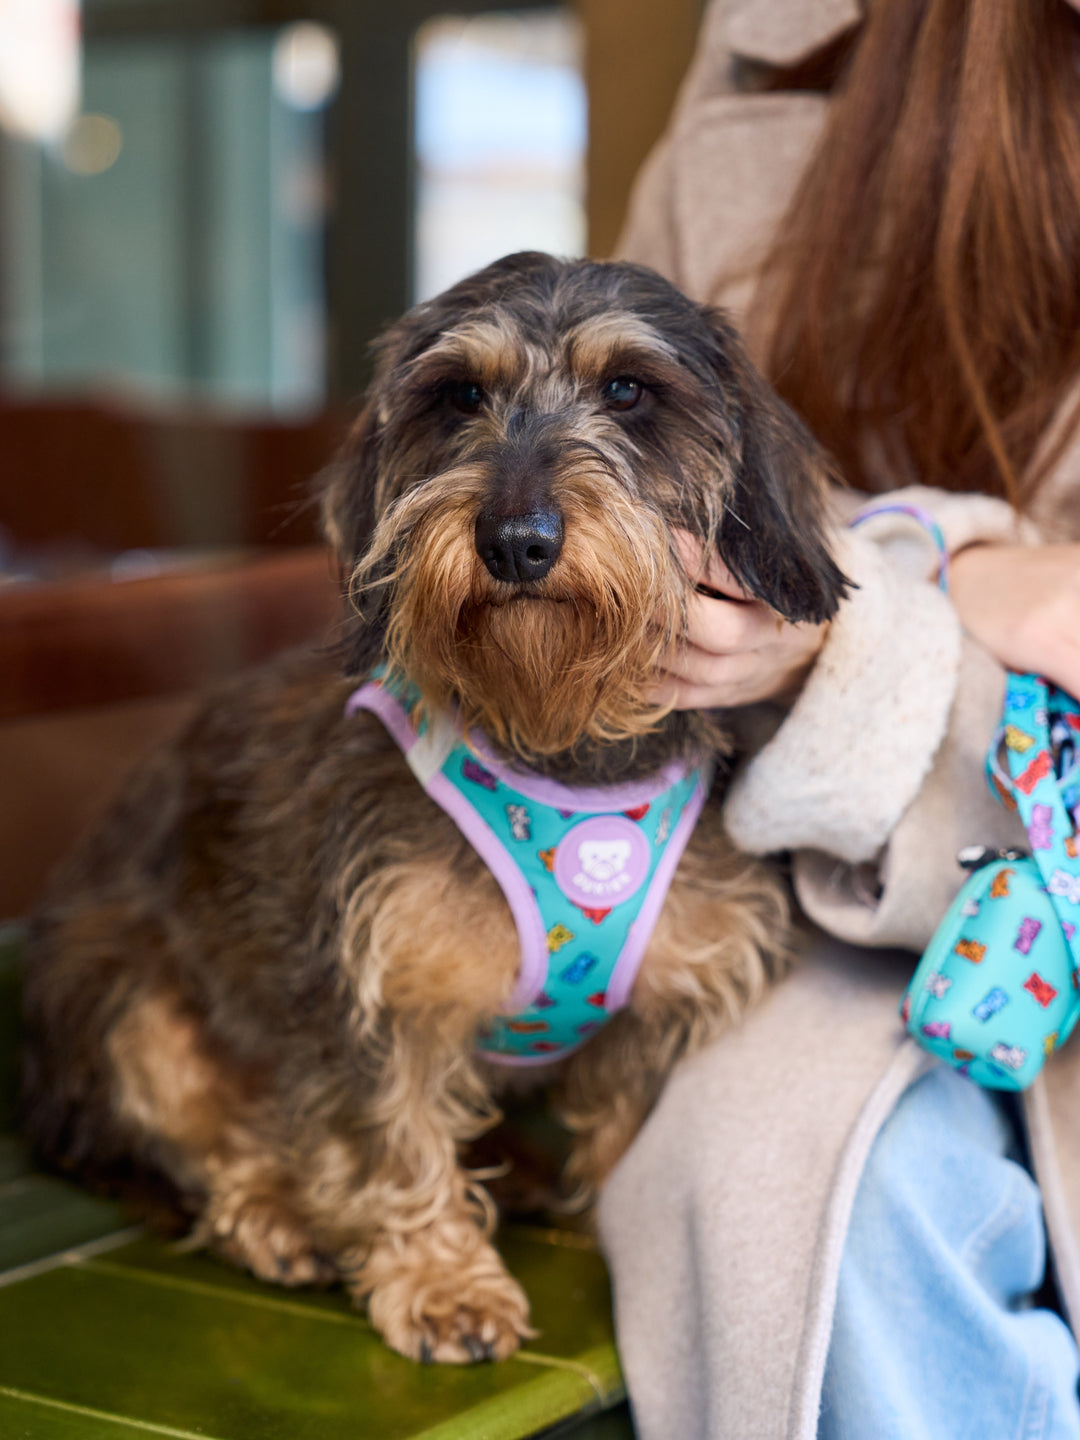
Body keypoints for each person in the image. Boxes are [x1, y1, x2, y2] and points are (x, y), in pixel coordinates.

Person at [597, 2, 1080, 1436]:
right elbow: (642, 474)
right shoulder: (782, 36)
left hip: (954, 817)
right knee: (795, 1198)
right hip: (818, 878)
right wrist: (937, 578)